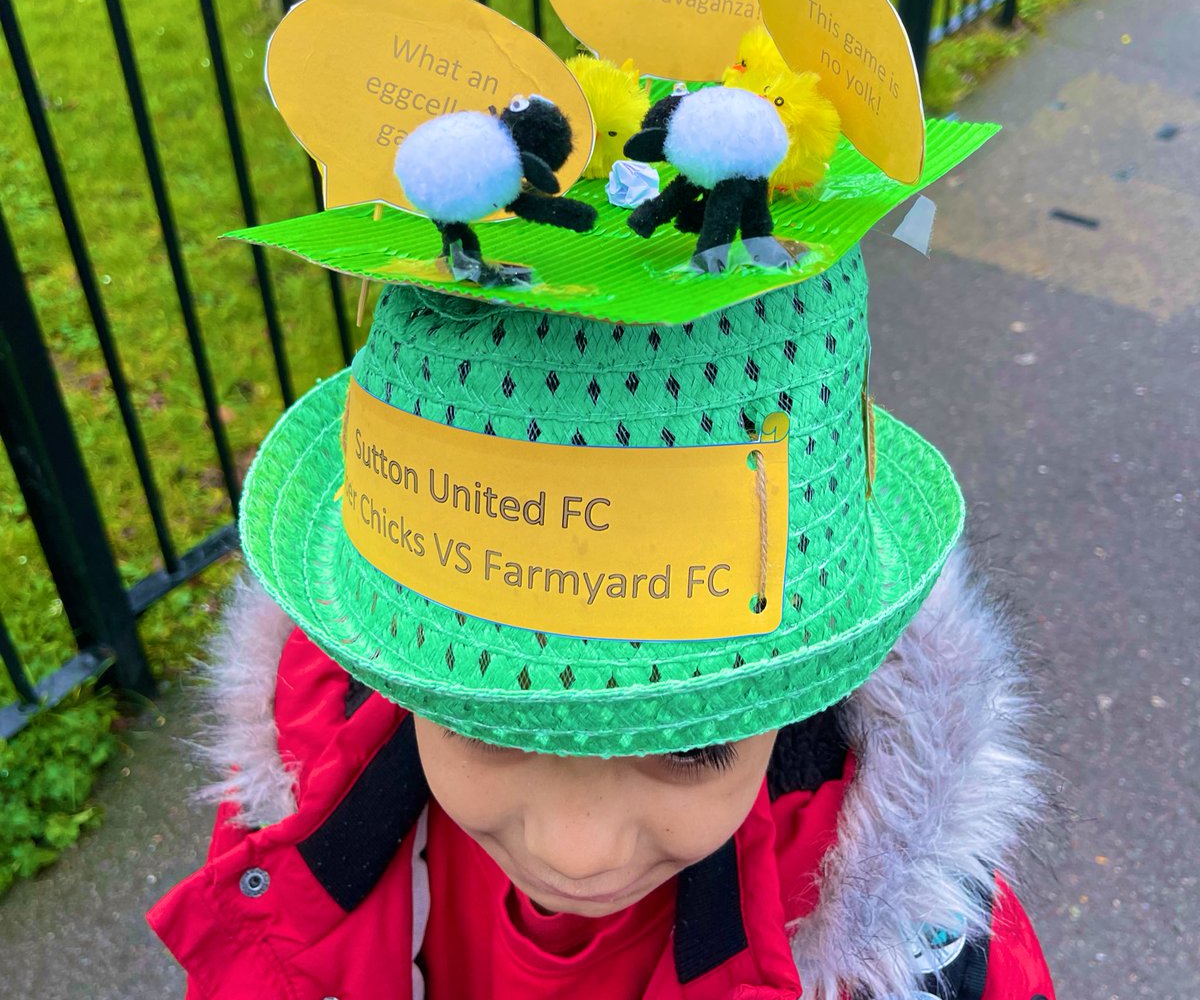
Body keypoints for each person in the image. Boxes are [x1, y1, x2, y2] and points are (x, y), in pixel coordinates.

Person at [148, 246, 1057, 999]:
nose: (575, 850)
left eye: (691, 746)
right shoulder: (306, 774)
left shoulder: (917, 955)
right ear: (383, 664)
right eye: (484, 722)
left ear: (814, 690)